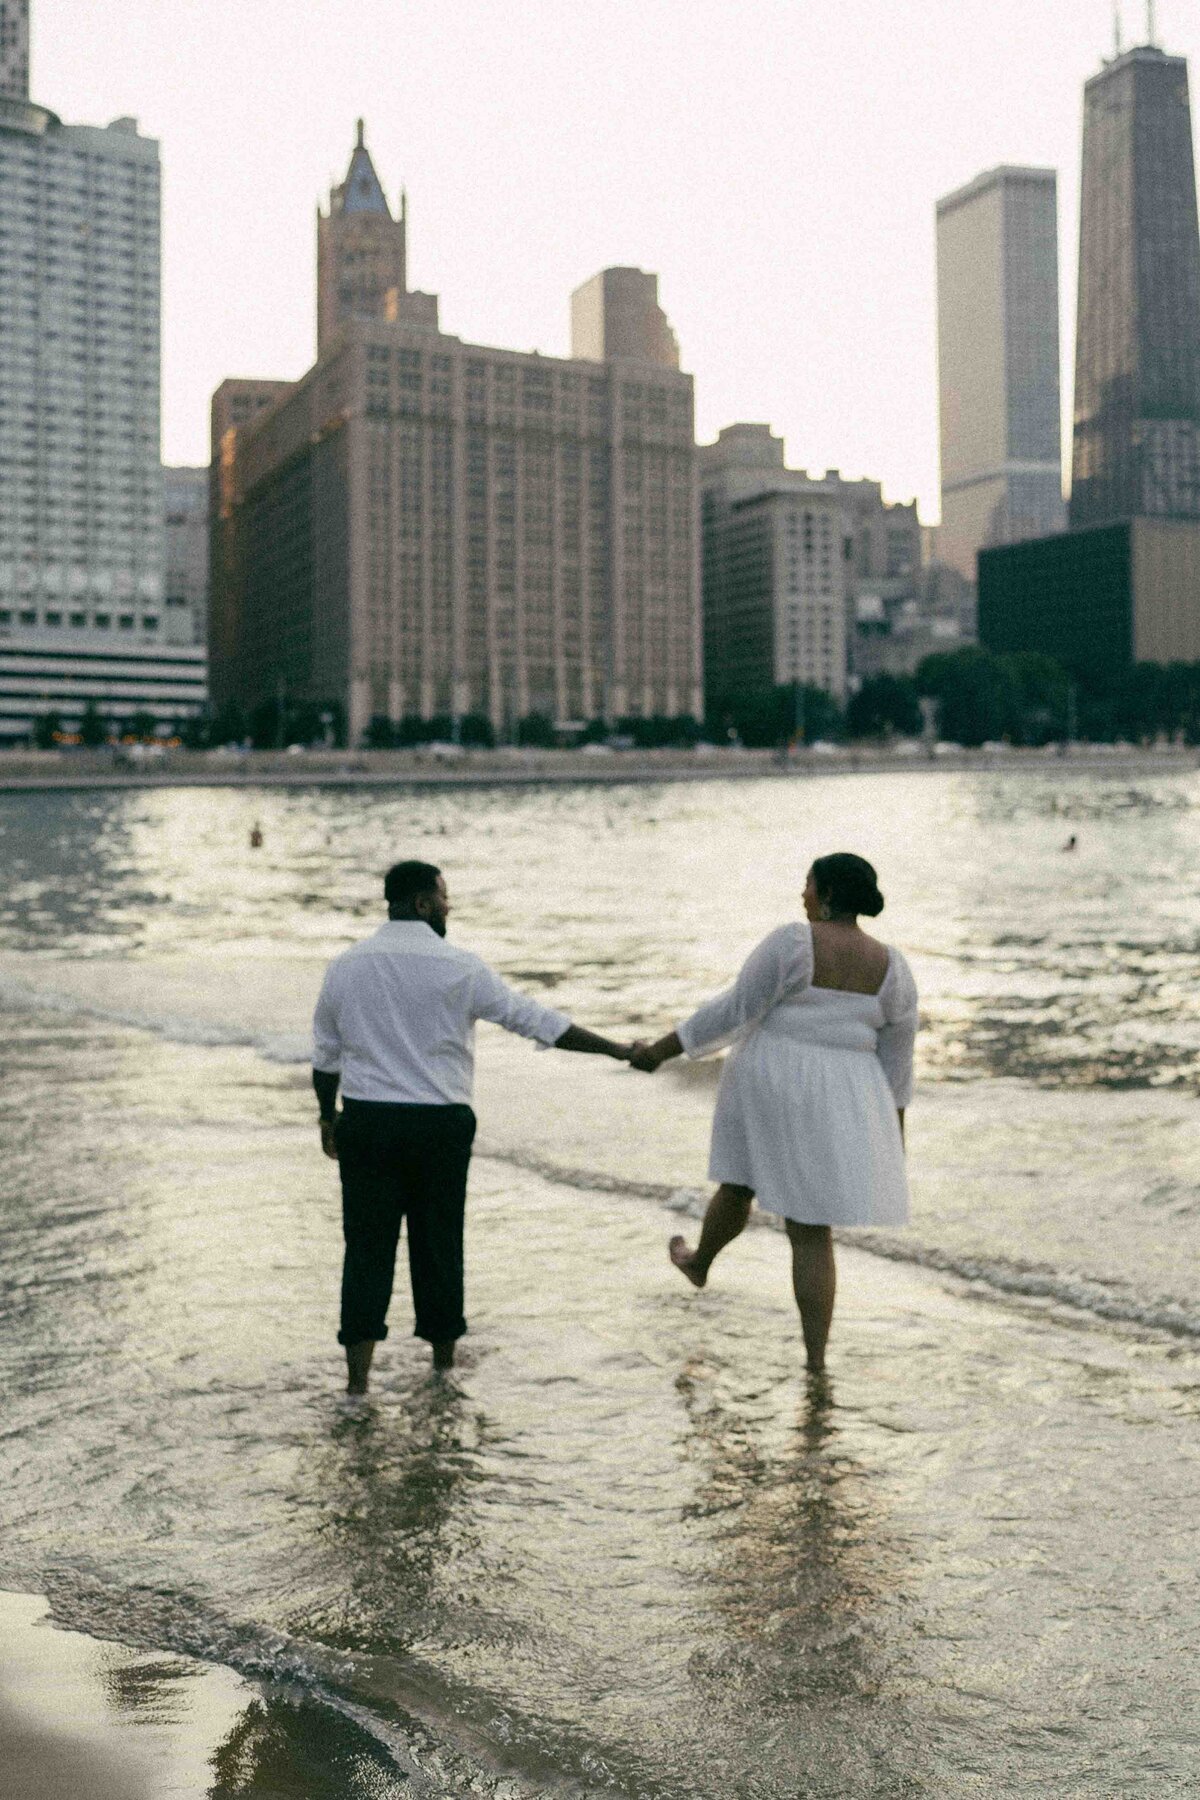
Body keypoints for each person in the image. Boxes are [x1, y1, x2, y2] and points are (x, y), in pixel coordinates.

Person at [313, 860, 634, 1390]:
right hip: (440, 1126)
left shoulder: (346, 966)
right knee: (439, 1244)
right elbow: (537, 1021)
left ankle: (357, 1385)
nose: (448, 906)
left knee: (366, 1250)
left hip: (368, 1122)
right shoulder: (460, 966)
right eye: (443, 897)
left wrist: (328, 1116)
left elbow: (326, 1058)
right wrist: (618, 1050)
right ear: (421, 903)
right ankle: (441, 1372)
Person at [631, 853, 918, 1375]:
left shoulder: (794, 942)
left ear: (827, 893)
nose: (801, 895)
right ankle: (815, 1361)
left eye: (807, 885)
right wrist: (892, 1142)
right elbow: (897, 1064)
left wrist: (661, 1049)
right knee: (811, 1229)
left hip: (772, 1075)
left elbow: (735, 1009)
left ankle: (699, 1263)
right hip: (845, 1089)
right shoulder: (894, 967)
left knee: (739, 1182)